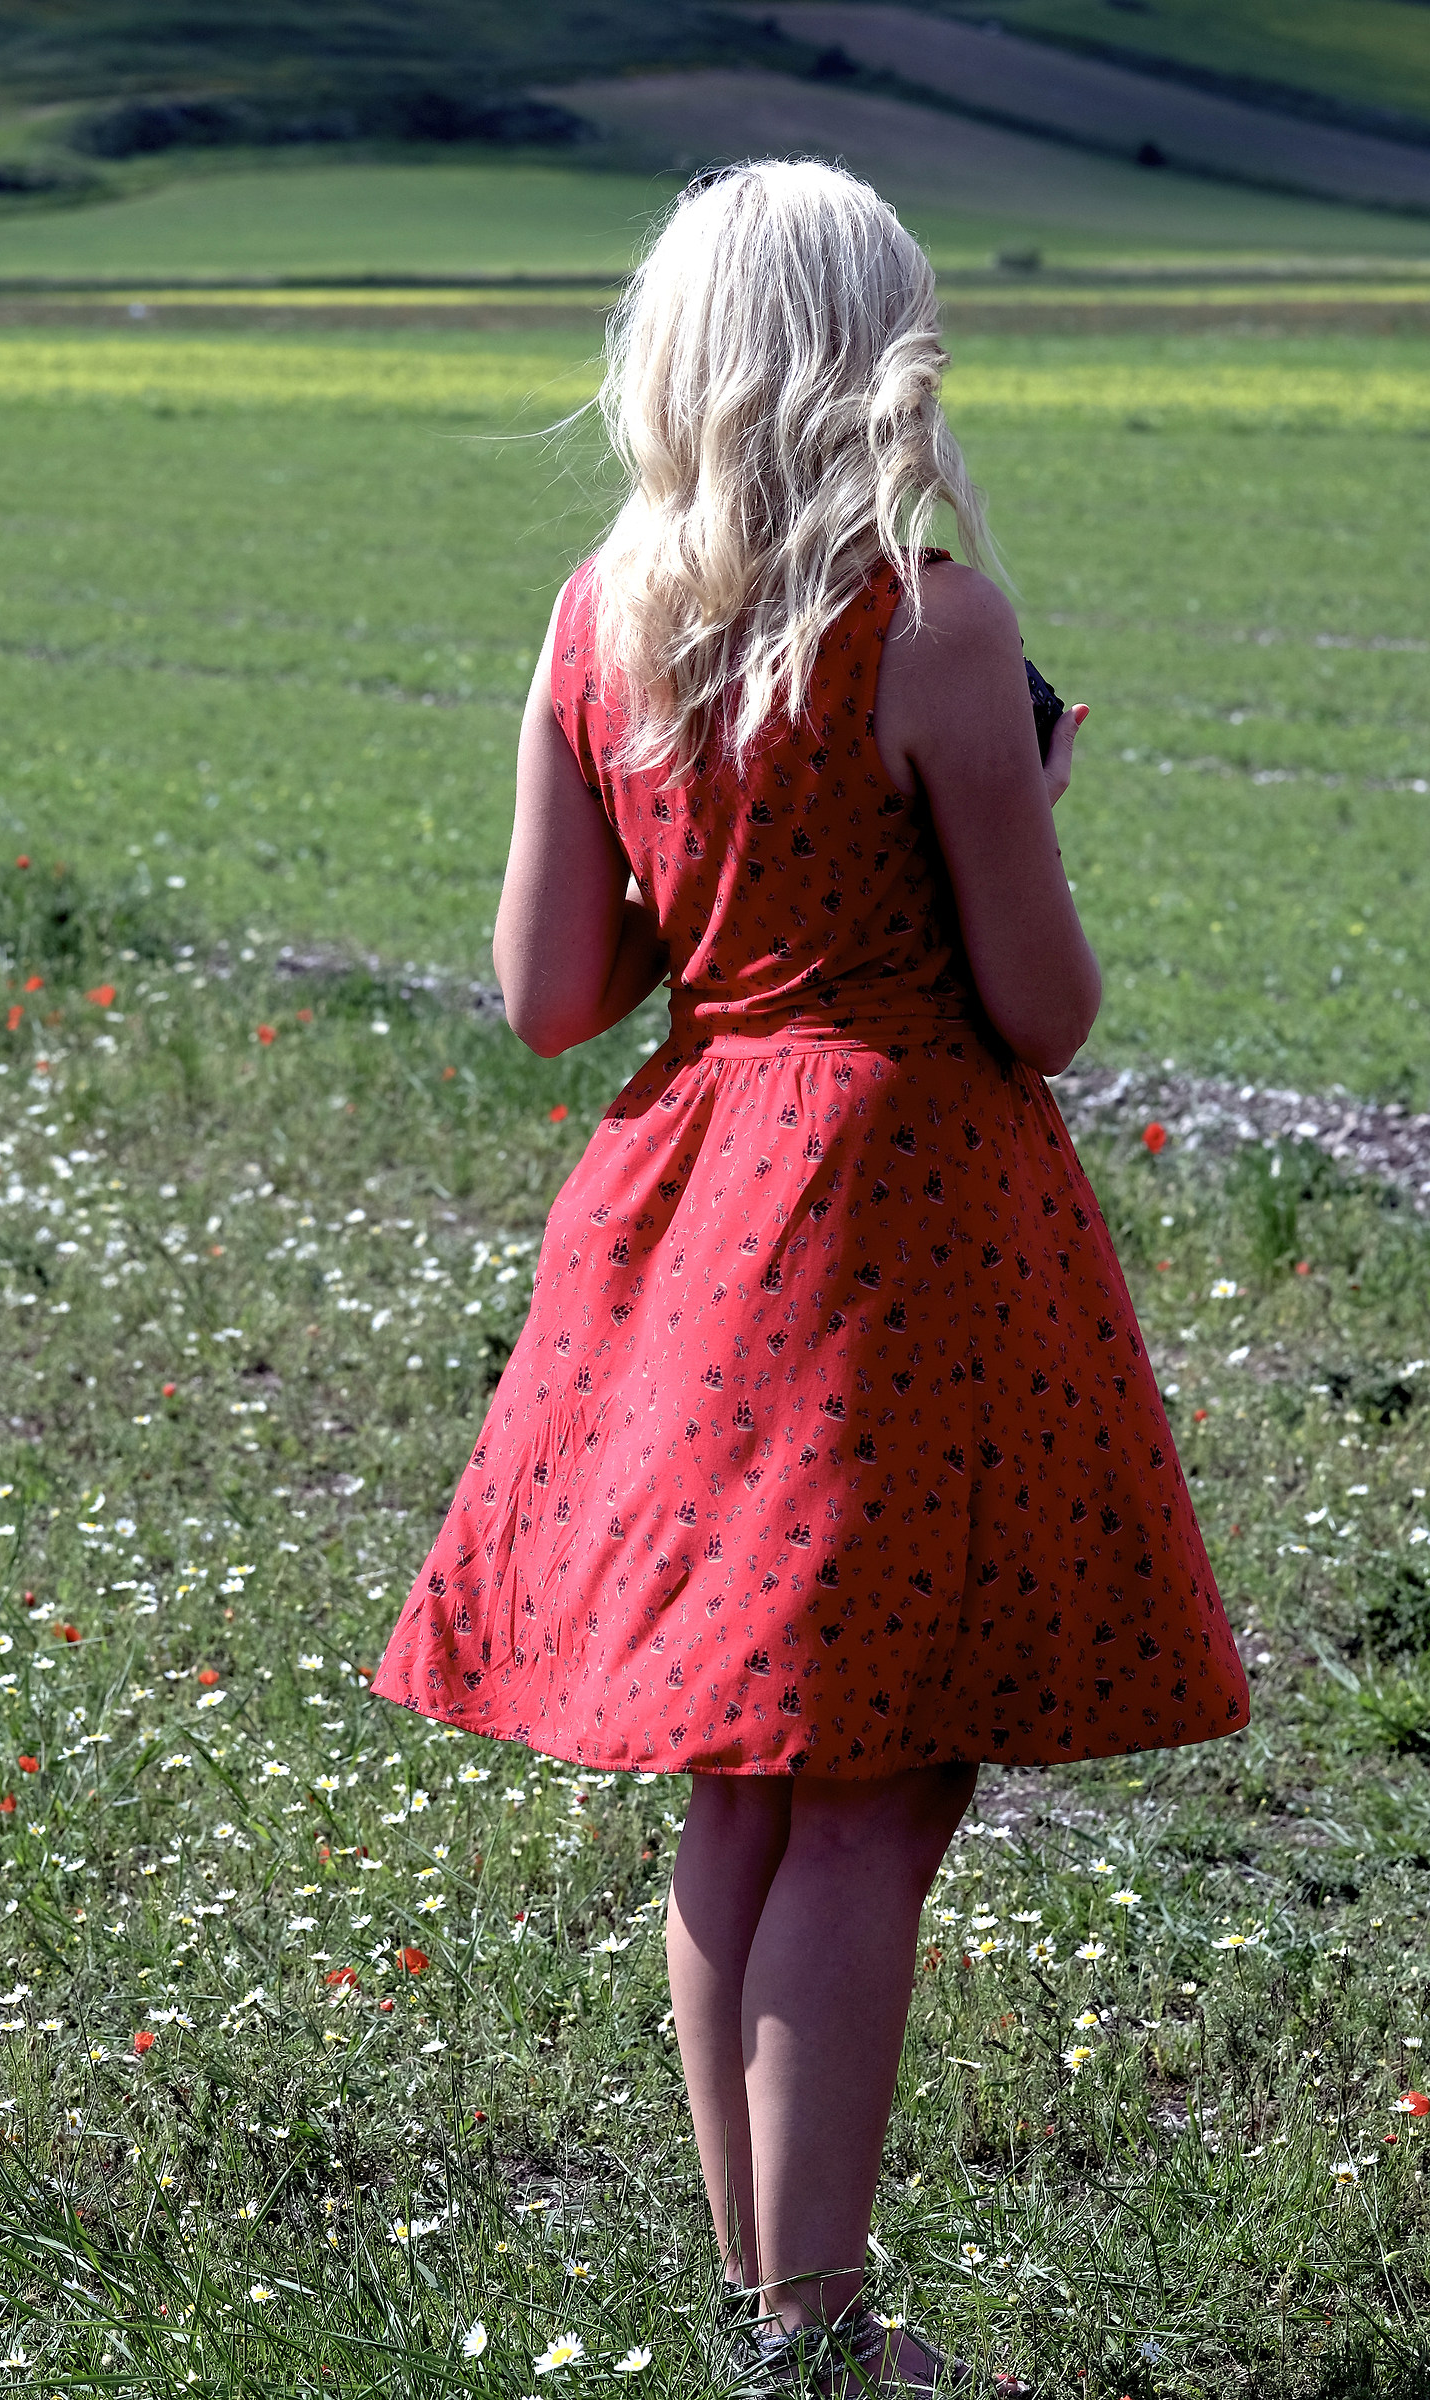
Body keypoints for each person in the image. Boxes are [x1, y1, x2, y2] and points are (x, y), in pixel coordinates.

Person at [375, 159, 1249, 2395]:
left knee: (739, 1769)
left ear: (668, 355)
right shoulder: (931, 626)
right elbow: (1037, 1010)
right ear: (880, 349)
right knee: (871, 1774)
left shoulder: (595, 619)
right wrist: (1029, 793)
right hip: (892, 1206)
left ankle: (769, 2312)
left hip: (686, 1212)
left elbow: (550, 995)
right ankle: (820, 2327)